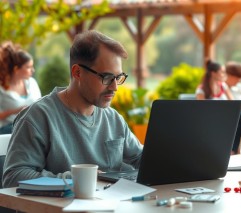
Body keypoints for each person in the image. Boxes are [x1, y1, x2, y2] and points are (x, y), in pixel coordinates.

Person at [3, 30, 143, 188]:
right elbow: (13, 177)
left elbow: (141, 158)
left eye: (118, 77)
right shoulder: (37, 117)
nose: (115, 87)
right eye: (106, 77)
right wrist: (76, 179)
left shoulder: (113, 118)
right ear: (77, 72)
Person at [0, 42, 41, 134]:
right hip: (9, 128)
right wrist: (17, 111)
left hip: (33, 125)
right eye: (28, 67)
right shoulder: (2, 89)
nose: (32, 70)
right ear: (16, 69)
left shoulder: (32, 83)